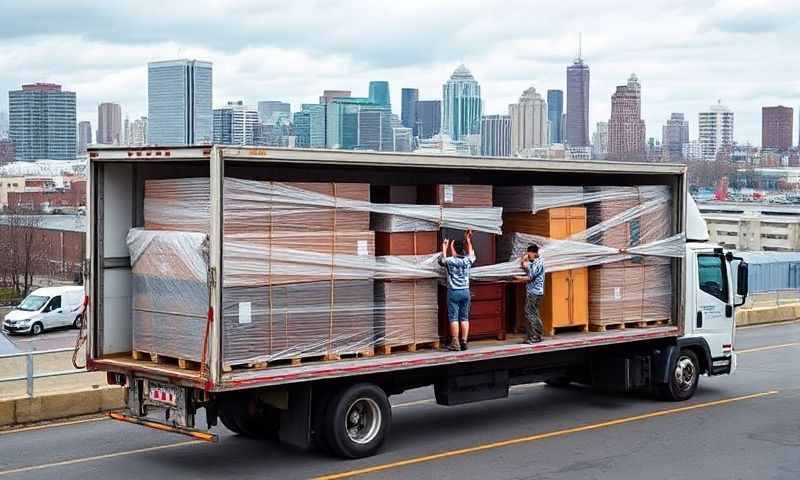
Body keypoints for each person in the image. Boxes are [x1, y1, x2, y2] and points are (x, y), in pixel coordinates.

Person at [439, 229, 476, 351]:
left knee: (453, 317)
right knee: (464, 317)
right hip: (466, 291)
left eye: (452, 248)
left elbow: (442, 260)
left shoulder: (450, 261)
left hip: (454, 292)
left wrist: (444, 247)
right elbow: (471, 254)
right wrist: (469, 241)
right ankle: (464, 342)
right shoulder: (467, 261)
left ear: (453, 249)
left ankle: (455, 343)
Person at [515, 244, 545, 344]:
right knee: (534, 313)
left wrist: (518, 278)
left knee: (530, 313)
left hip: (534, 293)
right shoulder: (534, 263)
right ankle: (536, 335)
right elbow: (525, 266)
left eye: (529, 254)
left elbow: (530, 278)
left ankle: (535, 336)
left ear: (534, 253)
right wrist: (523, 259)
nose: (528, 256)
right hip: (534, 292)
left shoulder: (538, 263)